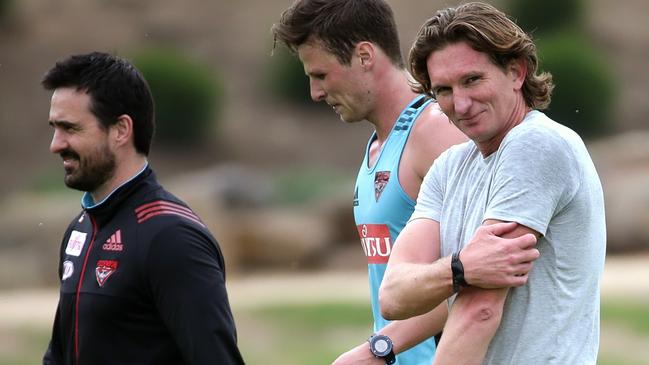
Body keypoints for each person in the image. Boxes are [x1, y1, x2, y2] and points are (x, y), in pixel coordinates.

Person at [273, 1, 539, 364]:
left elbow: (488, 278)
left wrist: (378, 349)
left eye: (320, 75)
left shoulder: (437, 132)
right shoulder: (378, 146)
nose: (315, 92)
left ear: (364, 56)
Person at [379, 2, 607, 364]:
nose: (462, 103)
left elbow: (478, 311)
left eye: (472, 80)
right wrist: (460, 268)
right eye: (444, 90)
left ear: (516, 72)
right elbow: (393, 295)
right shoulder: (450, 166)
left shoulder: (535, 144)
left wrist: (451, 274)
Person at [41, 52, 245, 365]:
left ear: (121, 130)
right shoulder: (80, 229)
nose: (56, 144)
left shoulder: (171, 237)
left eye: (70, 129)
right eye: (55, 128)